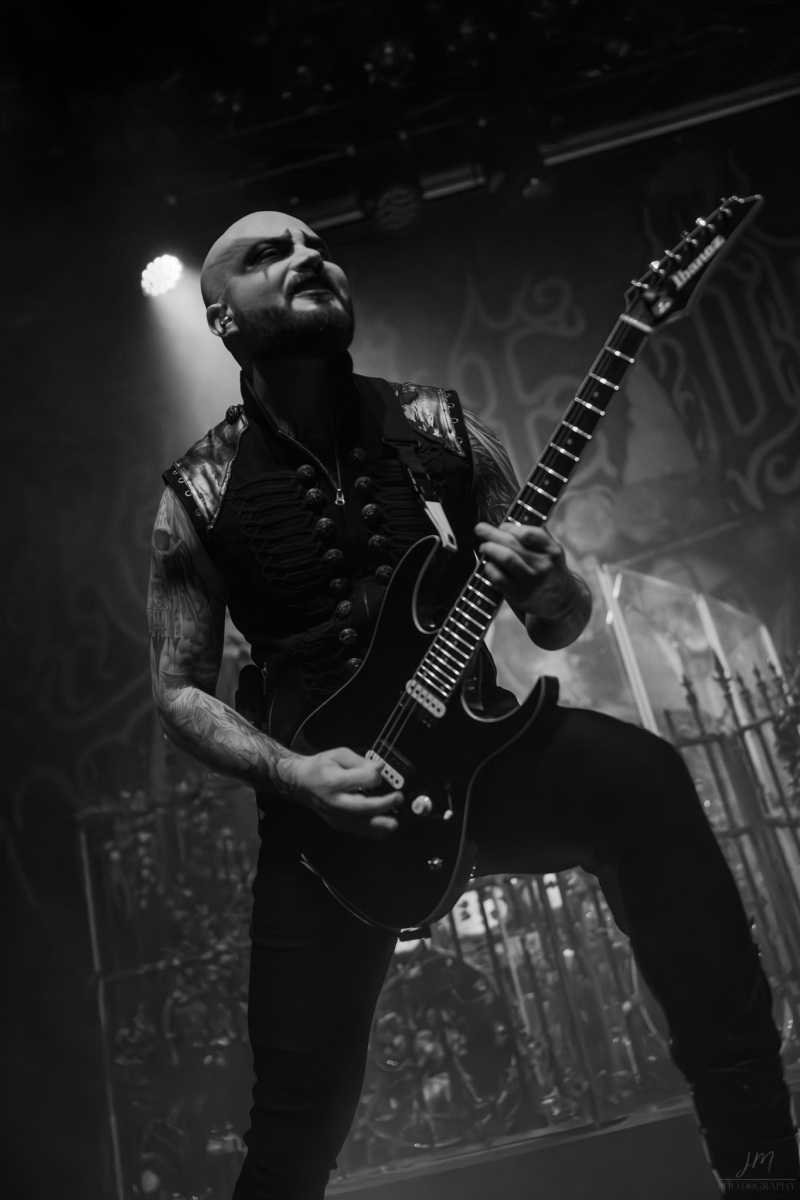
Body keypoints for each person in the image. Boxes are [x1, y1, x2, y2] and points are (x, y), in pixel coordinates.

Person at [148, 210, 798, 1199]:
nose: (307, 257)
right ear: (222, 319)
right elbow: (177, 688)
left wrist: (551, 584)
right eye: (267, 254)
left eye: (316, 244)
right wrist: (293, 774)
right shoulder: (197, 490)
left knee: (643, 780)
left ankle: (757, 1153)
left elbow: (557, 621)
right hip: (331, 815)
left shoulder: (440, 428)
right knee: (293, 1124)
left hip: (485, 758)